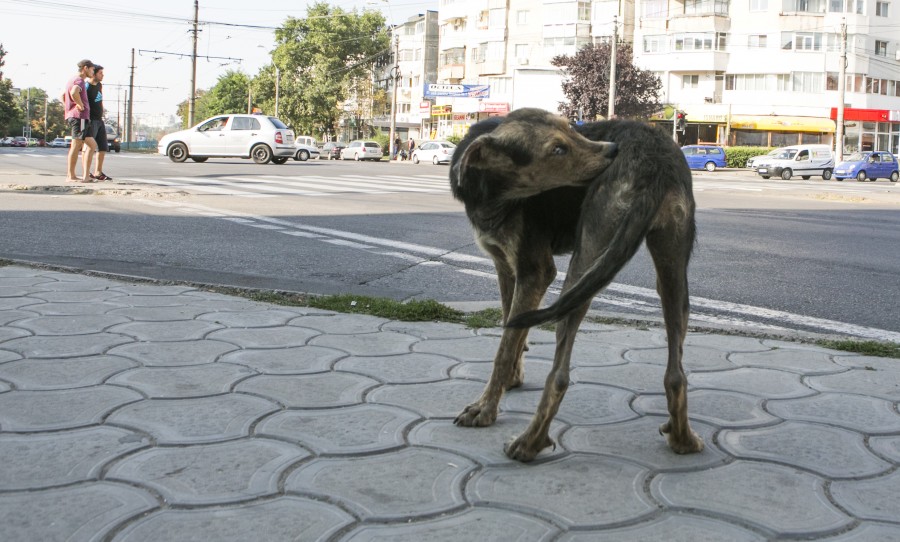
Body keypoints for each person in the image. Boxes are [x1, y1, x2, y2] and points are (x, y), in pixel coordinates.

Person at [63, 59, 97, 182]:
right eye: (92, 69)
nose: (93, 72)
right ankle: (70, 176)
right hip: (79, 117)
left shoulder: (73, 79)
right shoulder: (79, 80)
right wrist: (79, 105)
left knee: (92, 145)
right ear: (85, 68)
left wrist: (68, 108)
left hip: (80, 117)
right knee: (76, 145)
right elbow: (73, 92)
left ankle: (86, 176)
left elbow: (63, 95)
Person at [85, 64, 112, 181]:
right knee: (89, 148)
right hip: (91, 120)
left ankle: (98, 172)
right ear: (94, 73)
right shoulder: (86, 87)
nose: (103, 75)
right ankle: (86, 173)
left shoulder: (99, 85)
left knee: (103, 147)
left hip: (100, 120)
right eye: (100, 73)